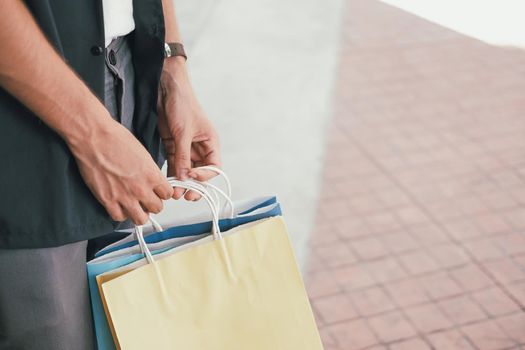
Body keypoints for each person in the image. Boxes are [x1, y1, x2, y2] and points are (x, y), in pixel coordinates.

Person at [0, 0, 221, 348]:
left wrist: (170, 64)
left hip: (124, 69)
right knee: (51, 332)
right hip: (23, 105)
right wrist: (91, 132)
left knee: (125, 326)